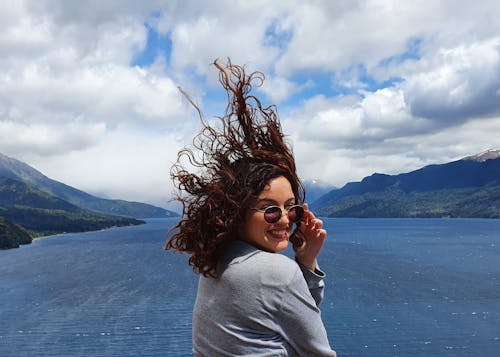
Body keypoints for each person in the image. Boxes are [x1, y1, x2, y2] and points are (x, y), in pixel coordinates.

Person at [165, 59, 336, 356]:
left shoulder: (218, 260)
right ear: (238, 212)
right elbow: (317, 351)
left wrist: (306, 262)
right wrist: (302, 267)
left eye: (291, 208)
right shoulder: (277, 272)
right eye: (270, 209)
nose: (284, 219)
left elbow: (290, 314)